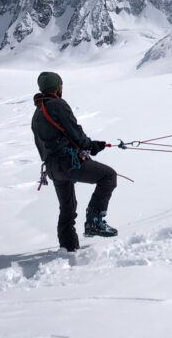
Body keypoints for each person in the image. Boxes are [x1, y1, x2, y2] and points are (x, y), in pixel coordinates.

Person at [31, 71, 118, 251]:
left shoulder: (37, 113)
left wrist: (85, 148)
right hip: (67, 163)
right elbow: (74, 131)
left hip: (52, 169)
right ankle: (94, 221)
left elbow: (45, 144)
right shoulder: (58, 105)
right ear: (57, 87)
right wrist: (90, 146)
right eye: (61, 85)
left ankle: (68, 248)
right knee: (108, 176)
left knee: (68, 208)